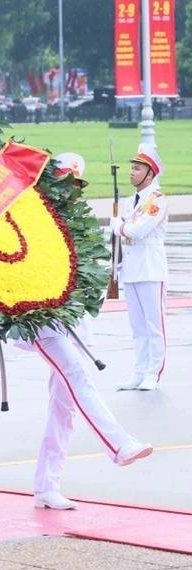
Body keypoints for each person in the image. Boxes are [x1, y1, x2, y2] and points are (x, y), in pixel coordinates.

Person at [18, 154, 154, 510]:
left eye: (75, 186)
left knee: (64, 408)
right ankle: (119, 444)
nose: (71, 192)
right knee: (78, 376)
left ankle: (46, 486)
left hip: (74, 323)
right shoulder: (30, 220)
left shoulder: (75, 225)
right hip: (40, 323)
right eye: (65, 185)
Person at [110, 144, 169, 391]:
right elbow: (122, 236)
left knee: (155, 325)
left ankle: (153, 373)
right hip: (132, 269)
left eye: (137, 168)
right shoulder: (129, 202)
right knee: (137, 326)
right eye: (132, 168)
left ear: (150, 174)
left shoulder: (158, 201)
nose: (131, 172)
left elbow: (137, 230)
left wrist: (117, 226)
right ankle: (139, 371)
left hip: (151, 268)